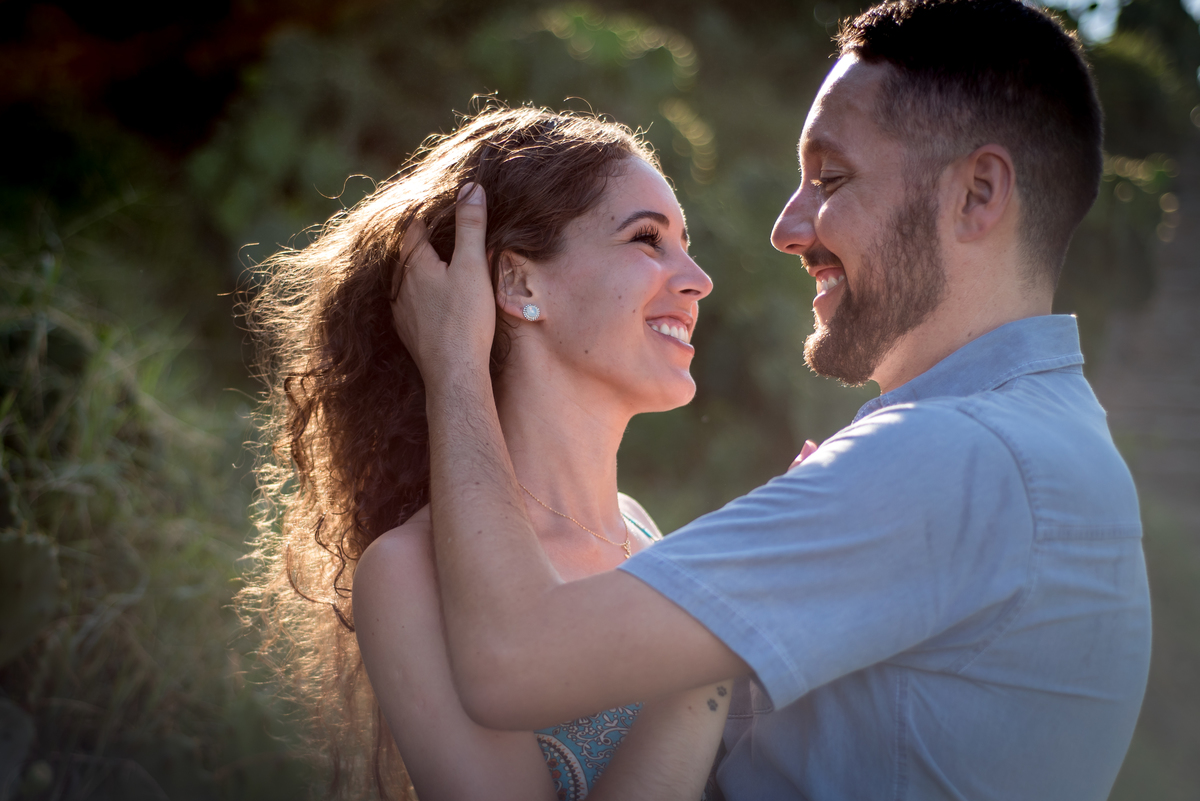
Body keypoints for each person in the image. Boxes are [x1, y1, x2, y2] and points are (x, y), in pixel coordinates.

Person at [389, 1, 1153, 800]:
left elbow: (515, 659)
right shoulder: (1048, 442)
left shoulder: (954, 455)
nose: (787, 228)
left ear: (978, 193)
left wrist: (454, 364)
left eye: (831, 178)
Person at [242, 106, 734, 801]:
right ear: (519, 286)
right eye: (648, 239)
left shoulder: (643, 530)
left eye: (686, 243)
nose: (697, 278)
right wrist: (722, 627)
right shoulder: (410, 572)